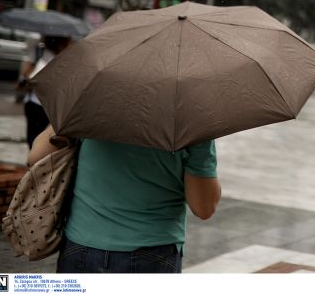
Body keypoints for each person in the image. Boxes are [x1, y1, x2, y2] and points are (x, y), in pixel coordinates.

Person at [28, 125, 221, 274]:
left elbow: (36, 157)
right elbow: (203, 208)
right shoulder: (192, 125)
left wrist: (67, 115)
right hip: (152, 253)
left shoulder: (92, 107)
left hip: (81, 248)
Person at [18, 36, 72, 148]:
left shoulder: (67, 54)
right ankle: (36, 161)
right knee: (38, 137)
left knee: (39, 138)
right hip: (41, 103)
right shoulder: (40, 51)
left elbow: (26, 73)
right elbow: (26, 73)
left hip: (46, 105)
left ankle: (35, 160)